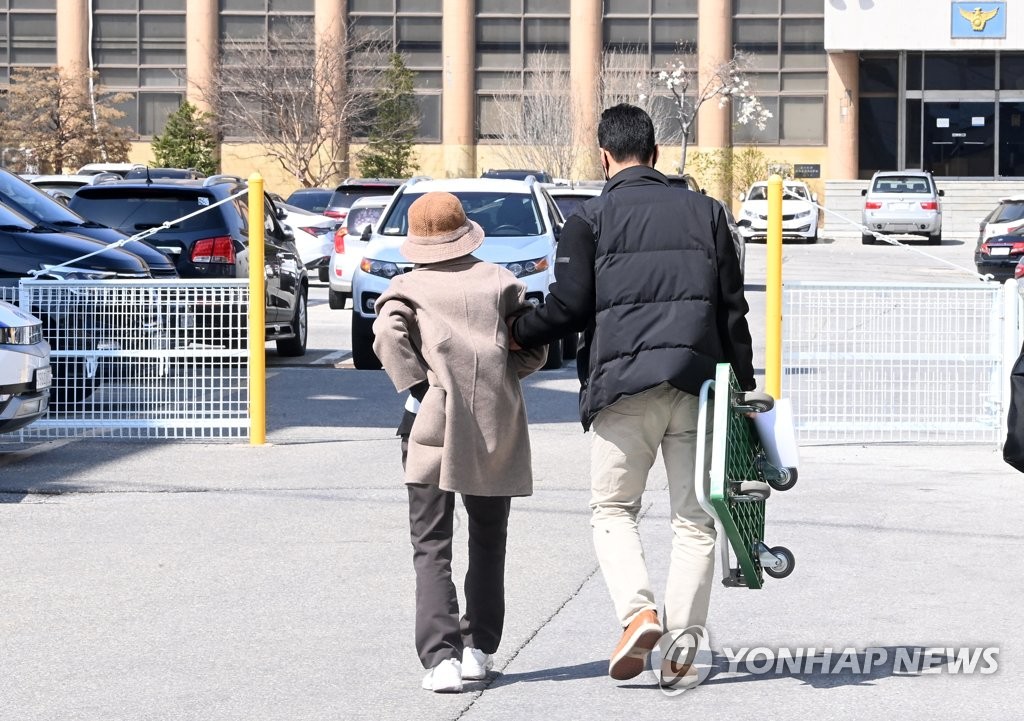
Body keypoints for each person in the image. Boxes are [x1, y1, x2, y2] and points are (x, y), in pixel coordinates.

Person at [509, 103, 756, 684]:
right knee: (694, 520)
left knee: (614, 509)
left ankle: (637, 611)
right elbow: (732, 311)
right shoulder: (708, 213)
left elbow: (568, 309)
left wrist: (516, 331)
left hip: (621, 391)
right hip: (697, 386)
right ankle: (680, 649)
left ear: (604, 157)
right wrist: (741, 387)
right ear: (656, 153)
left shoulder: (588, 220)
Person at [372, 191, 547, 693]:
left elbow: (386, 337)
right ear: (465, 230)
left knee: (431, 542)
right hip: (495, 422)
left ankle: (441, 658)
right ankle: (478, 648)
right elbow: (533, 343)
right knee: (489, 540)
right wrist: (502, 373)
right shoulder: (501, 281)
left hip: (430, 425)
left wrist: (421, 384)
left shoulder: (405, 287)